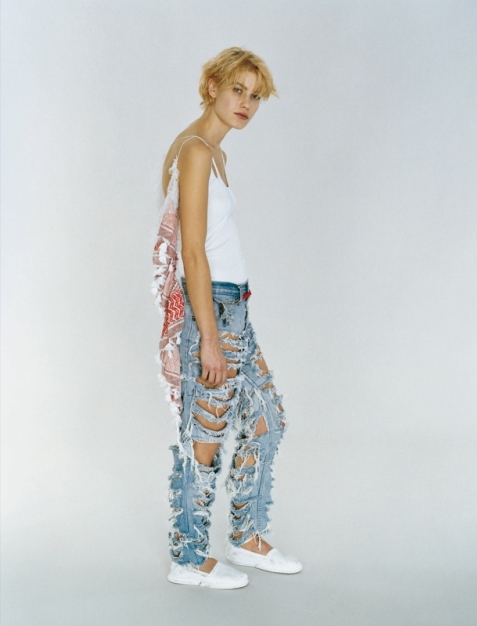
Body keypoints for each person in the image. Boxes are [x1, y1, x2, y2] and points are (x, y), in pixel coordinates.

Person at [152, 47, 302, 590]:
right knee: (206, 436)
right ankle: (190, 557)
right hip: (212, 309)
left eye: (255, 96)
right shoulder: (194, 150)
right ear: (212, 86)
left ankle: (245, 536)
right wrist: (209, 340)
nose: (247, 103)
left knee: (266, 419)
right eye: (238, 89)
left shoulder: (215, 154)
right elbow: (193, 253)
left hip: (235, 306)